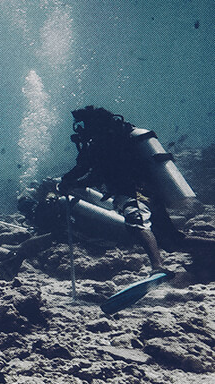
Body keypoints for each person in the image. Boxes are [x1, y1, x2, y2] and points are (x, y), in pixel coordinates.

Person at [57, 106, 215, 273]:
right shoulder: (110, 139)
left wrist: (73, 184)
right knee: (172, 241)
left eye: (81, 125)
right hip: (149, 191)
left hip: (132, 192)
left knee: (137, 224)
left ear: (91, 124)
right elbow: (84, 167)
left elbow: (97, 175)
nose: (79, 130)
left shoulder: (104, 143)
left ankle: (158, 267)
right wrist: (68, 180)